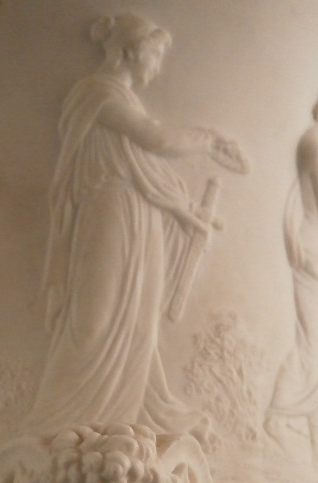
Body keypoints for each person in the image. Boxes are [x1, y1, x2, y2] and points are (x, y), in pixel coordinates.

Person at [25, 13, 247, 435]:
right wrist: (209, 139)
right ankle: (60, 419)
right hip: (109, 211)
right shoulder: (96, 94)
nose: (158, 66)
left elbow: (145, 164)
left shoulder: (123, 99)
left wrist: (183, 206)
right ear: (130, 50)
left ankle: (133, 413)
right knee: (95, 315)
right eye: (155, 54)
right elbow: (154, 139)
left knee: (139, 316)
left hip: (135, 215)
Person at [265, 85, 318, 463]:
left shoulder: (311, 141)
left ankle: (309, 433)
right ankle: (279, 415)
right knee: (314, 343)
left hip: (311, 249)